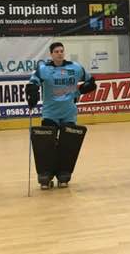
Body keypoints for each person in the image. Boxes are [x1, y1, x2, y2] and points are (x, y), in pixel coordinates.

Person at [26, 42, 96, 189]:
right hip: (50, 114)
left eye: (61, 51)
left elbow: (90, 81)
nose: (59, 54)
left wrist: (80, 90)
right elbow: (32, 83)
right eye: (56, 51)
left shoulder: (75, 68)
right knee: (47, 146)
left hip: (69, 113)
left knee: (67, 146)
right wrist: (32, 94)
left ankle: (64, 174)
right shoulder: (43, 69)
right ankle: (46, 175)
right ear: (51, 54)